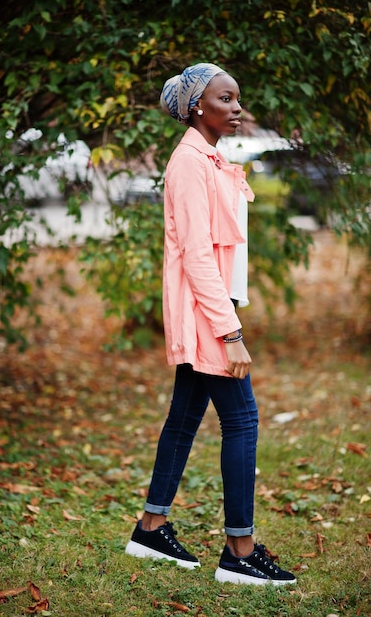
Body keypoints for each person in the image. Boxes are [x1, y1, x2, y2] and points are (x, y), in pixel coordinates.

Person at [125, 62, 296, 586]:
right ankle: (239, 551)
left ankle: (151, 528)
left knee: (185, 416)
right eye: (226, 98)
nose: (236, 107)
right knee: (242, 419)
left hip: (213, 307)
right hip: (207, 314)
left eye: (238, 98)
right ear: (198, 105)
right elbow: (197, 256)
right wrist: (231, 333)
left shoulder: (208, 157)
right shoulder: (190, 164)